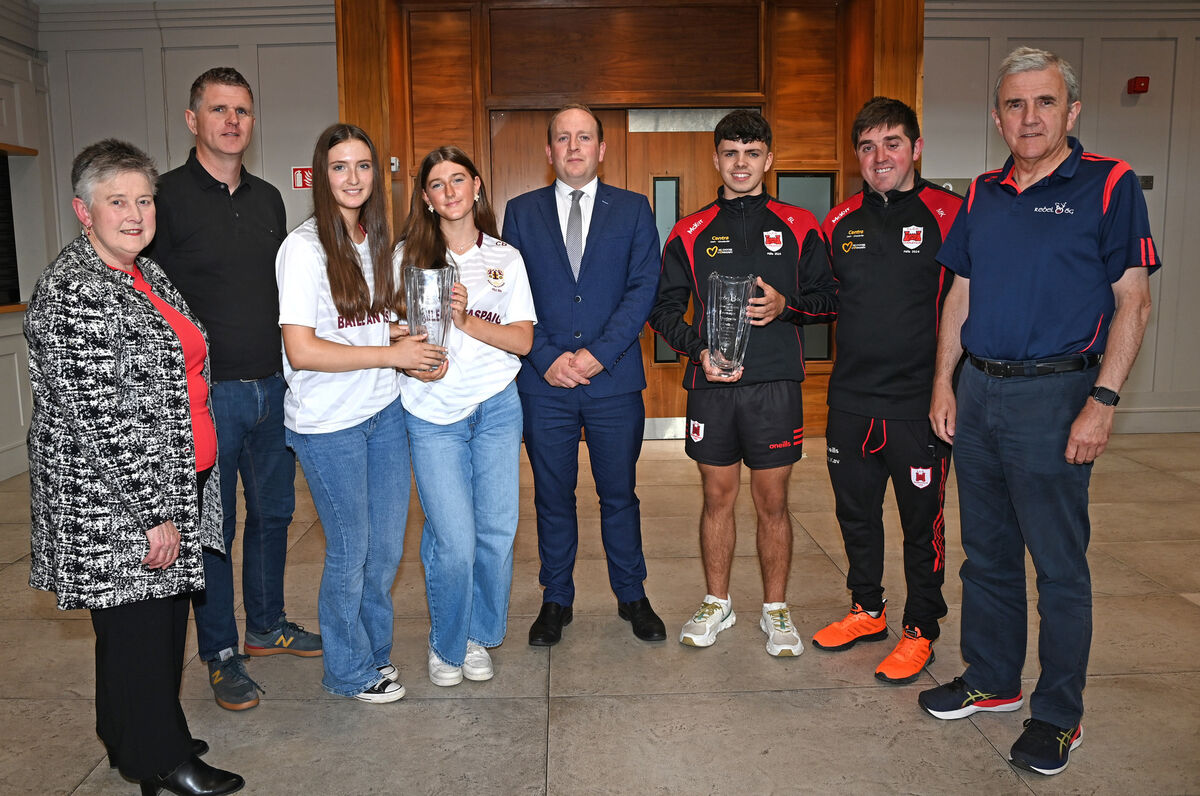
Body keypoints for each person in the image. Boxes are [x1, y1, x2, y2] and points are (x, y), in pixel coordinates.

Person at [918, 47, 1158, 776]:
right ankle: (992, 678)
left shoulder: (1109, 184)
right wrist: (944, 382)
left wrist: (1102, 402)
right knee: (986, 554)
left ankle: (1058, 716)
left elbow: (1133, 300)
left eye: (1045, 102)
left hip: (1057, 398)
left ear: (1071, 111)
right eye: (1015, 104)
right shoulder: (982, 193)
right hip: (980, 393)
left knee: (1057, 567)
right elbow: (960, 294)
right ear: (998, 117)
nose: (1029, 117)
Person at [25, 139, 243, 795]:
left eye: (144, 200)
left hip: (170, 480)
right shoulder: (75, 290)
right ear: (83, 211)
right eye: (117, 201)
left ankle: (131, 735)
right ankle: (160, 762)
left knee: (147, 627)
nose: (135, 214)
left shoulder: (142, 271)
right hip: (117, 501)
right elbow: (100, 421)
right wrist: (153, 514)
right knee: (142, 631)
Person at [145, 67, 318, 712]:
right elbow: (147, 299)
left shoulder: (270, 199)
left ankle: (267, 626)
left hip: (273, 387)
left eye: (241, 110)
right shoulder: (163, 198)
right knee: (212, 530)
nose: (231, 121)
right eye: (218, 110)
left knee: (274, 515)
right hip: (207, 396)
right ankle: (220, 652)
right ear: (193, 120)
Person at [649, 109, 837, 657]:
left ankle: (775, 608)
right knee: (717, 496)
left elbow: (830, 299)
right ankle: (718, 601)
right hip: (712, 385)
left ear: (768, 159)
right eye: (731, 152)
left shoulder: (799, 225)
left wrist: (787, 306)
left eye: (752, 153)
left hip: (774, 385)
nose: (741, 163)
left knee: (772, 499)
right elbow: (662, 311)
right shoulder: (689, 232)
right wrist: (698, 350)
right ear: (716, 159)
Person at [276, 123, 445, 703]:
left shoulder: (375, 242)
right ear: (322, 176)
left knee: (385, 551)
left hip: (383, 413)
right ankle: (346, 671)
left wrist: (409, 341)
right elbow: (302, 349)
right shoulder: (303, 249)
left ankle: (372, 653)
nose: (353, 178)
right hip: (329, 427)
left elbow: (367, 324)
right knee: (350, 551)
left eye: (364, 166)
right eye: (340, 167)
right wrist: (393, 354)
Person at [502, 104, 666, 645]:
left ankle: (632, 595)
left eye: (584, 137)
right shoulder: (521, 212)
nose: (574, 147)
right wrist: (546, 357)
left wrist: (599, 354)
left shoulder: (634, 209)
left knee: (619, 495)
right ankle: (556, 599)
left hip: (613, 381)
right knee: (552, 497)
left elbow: (643, 289)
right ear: (549, 151)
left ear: (602, 148)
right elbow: (512, 296)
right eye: (563, 138)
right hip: (544, 384)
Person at [812, 97, 961, 683]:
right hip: (850, 400)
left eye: (893, 143)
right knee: (856, 515)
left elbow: (969, 304)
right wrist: (781, 303)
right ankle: (866, 610)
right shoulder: (837, 221)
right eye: (868, 146)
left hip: (917, 405)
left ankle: (921, 628)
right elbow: (823, 298)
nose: (880, 157)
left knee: (921, 526)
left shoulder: (951, 213)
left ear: (916, 148)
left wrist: (950, 386)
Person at [397, 146, 536, 687]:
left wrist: (466, 321)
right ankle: (446, 642)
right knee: (454, 539)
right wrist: (411, 356)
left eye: (459, 179)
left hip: (497, 407)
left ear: (477, 187)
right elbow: (388, 330)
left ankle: (477, 636)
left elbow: (523, 340)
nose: (450, 191)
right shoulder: (405, 258)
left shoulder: (506, 257)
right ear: (427, 198)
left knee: (497, 531)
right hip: (433, 414)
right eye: (438, 184)